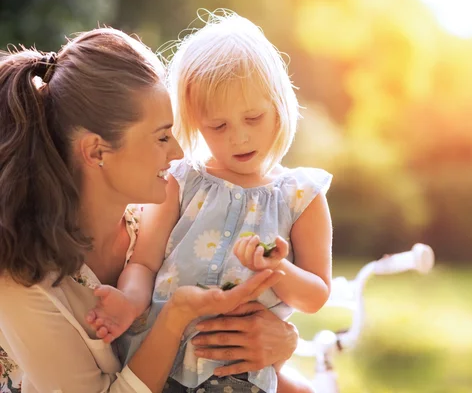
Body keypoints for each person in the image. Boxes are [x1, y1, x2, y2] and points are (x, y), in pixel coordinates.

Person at [0, 28, 300, 393]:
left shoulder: (158, 227)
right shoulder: (20, 281)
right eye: (161, 137)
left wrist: (282, 341)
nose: (177, 152)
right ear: (97, 152)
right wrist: (175, 317)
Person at [86, 12, 333, 393]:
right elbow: (144, 262)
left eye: (253, 117)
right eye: (218, 126)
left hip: (238, 378)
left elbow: (316, 296)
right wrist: (129, 303)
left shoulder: (301, 197)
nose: (239, 138)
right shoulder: (181, 181)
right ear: (194, 122)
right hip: (160, 364)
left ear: (279, 104)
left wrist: (276, 266)